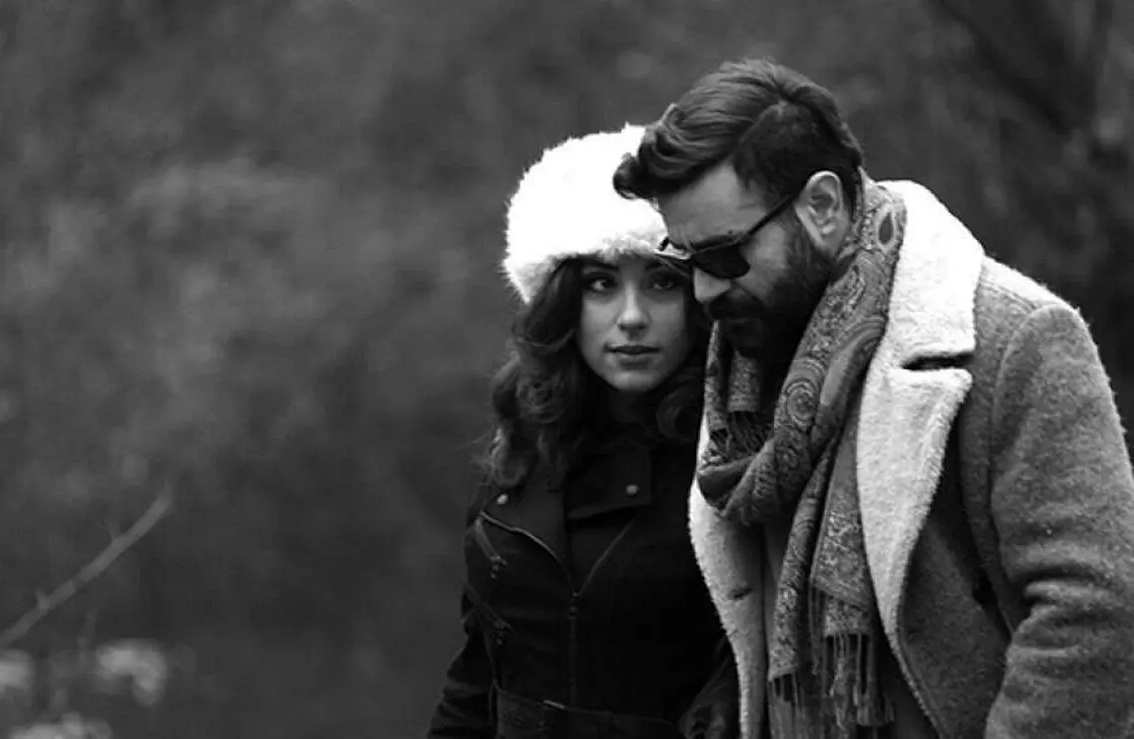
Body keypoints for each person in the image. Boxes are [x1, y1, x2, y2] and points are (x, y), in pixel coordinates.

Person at [612, 58, 1134, 739]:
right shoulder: (733, 366)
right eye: (685, 261)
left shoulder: (1013, 338)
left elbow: (1096, 609)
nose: (705, 290)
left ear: (822, 206)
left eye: (724, 255)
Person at [427, 126, 737, 739]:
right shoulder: (521, 451)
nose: (632, 317)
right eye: (602, 284)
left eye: (662, 282)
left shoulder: (732, 465)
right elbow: (474, 683)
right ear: (563, 301)